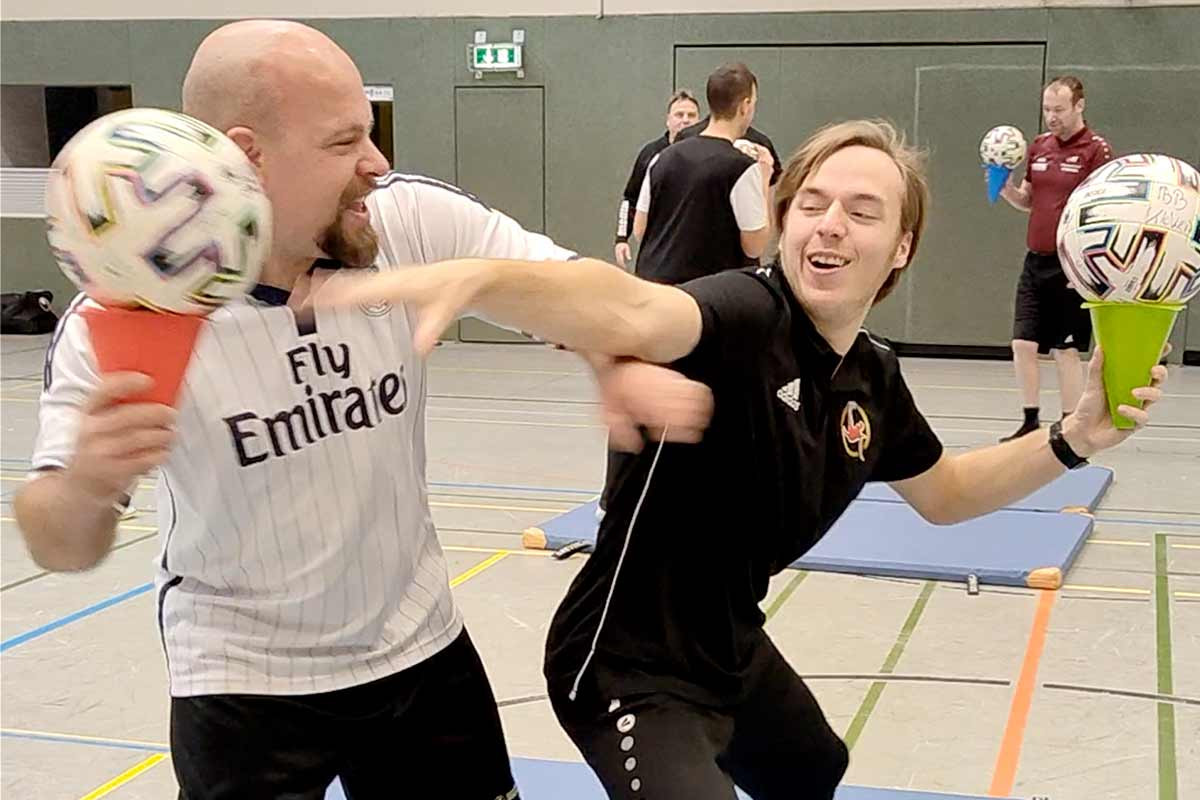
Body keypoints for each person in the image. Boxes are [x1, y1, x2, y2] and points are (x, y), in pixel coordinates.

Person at [323, 118, 1167, 800]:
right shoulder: (743, 313)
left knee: (813, 770)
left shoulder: (872, 377)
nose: (830, 223)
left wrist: (1074, 438)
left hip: (728, 647)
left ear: (902, 247)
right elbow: (631, 311)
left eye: (863, 211)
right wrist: (481, 280)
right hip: (624, 665)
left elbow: (945, 493)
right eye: (812, 204)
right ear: (785, 221)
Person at [14, 20, 712, 800]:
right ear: (247, 155)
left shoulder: (405, 220)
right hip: (243, 682)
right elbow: (58, 542)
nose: (377, 162)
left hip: (417, 647)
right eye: (345, 141)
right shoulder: (134, 314)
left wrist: (610, 356)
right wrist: (84, 484)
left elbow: (582, 289)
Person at [996, 75, 1113, 441]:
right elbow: (1027, 200)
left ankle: (1069, 424)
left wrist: (1088, 260)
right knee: (1023, 343)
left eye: (1059, 109)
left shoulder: (1096, 150)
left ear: (1079, 106)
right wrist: (1004, 187)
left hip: (1071, 263)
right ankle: (1030, 420)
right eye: (1047, 109)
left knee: (1066, 348)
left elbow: (1103, 208)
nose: (1051, 117)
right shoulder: (1039, 146)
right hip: (1035, 260)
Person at [632, 62, 774, 285]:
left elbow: (640, 230)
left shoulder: (661, 158)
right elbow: (755, 245)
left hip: (654, 288)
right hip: (706, 294)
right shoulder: (743, 167)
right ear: (745, 106)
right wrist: (764, 178)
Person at [613, 89, 701, 269]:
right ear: (668, 120)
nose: (685, 120)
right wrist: (621, 239)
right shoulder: (650, 154)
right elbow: (630, 199)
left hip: (696, 248)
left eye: (691, 115)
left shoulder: (708, 153)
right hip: (658, 247)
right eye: (679, 115)